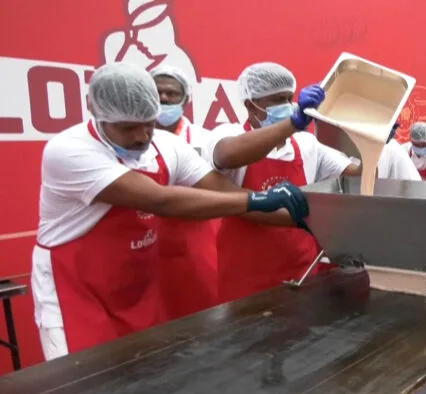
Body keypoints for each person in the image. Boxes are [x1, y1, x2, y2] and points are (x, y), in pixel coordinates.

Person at [32, 62, 309, 360]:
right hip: (77, 289)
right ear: (96, 112)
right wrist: (256, 199)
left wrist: (301, 219)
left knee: (146, 369)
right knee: (81, 377)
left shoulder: (166, 145)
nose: (142, 136)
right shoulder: (69, 150)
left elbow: (220, 189)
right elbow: (160, 200)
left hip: (136, 284)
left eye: (148, 124)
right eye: (128, 128)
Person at [210, 62, 360, 303]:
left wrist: (369, 141)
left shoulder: (306, 145)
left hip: (301, 272)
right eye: (279, 100)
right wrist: (292, 123)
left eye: (290, 99)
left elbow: (355, 174)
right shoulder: (229, 134)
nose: (289, 106)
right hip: (246, 278)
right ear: (251, 104)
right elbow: (225, 155)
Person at [150, 65, 219, 320]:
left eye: (172, 93)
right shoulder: (130, 140)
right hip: (147, 240)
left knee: (202, 310)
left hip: (197, 241)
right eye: (157, 92)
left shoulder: (205, 140)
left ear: (186, 100)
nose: (164, 98)